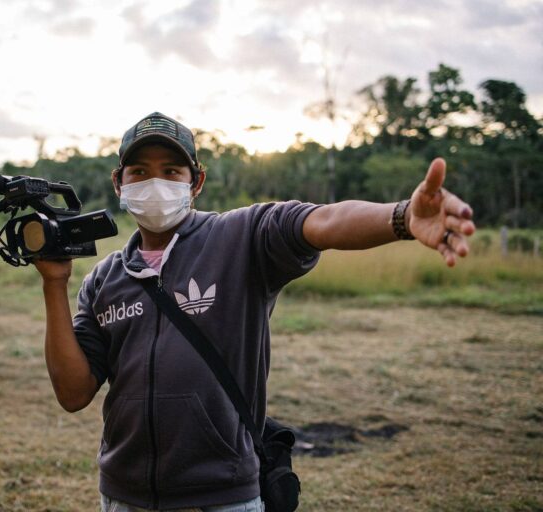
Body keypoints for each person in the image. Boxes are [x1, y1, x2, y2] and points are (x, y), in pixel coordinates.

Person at [33, 112, 475, 512]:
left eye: (171, 172)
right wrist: (54, 283)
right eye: (140, 172)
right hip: (123, 496)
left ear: (196, 182)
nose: (155, 184)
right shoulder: (105, 279)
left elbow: (321, 222)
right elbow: (73, 394)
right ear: (119, 183)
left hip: (221, 496)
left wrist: (401, 218)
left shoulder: (240, 238)